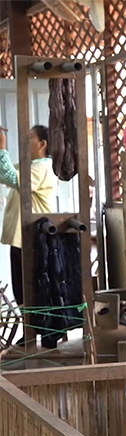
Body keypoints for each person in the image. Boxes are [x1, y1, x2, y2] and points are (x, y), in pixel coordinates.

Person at [0, 125, 57, 306]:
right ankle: (30, 332)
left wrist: (2, 147)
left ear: (42, 144)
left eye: (30, 136)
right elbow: (4, 173)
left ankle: (38, 332)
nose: (25, 139)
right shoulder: (31, 166)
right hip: (21, 238)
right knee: (22, 291)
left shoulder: (44, 168)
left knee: (30, 291)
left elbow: (12, 178)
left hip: (32, 238)